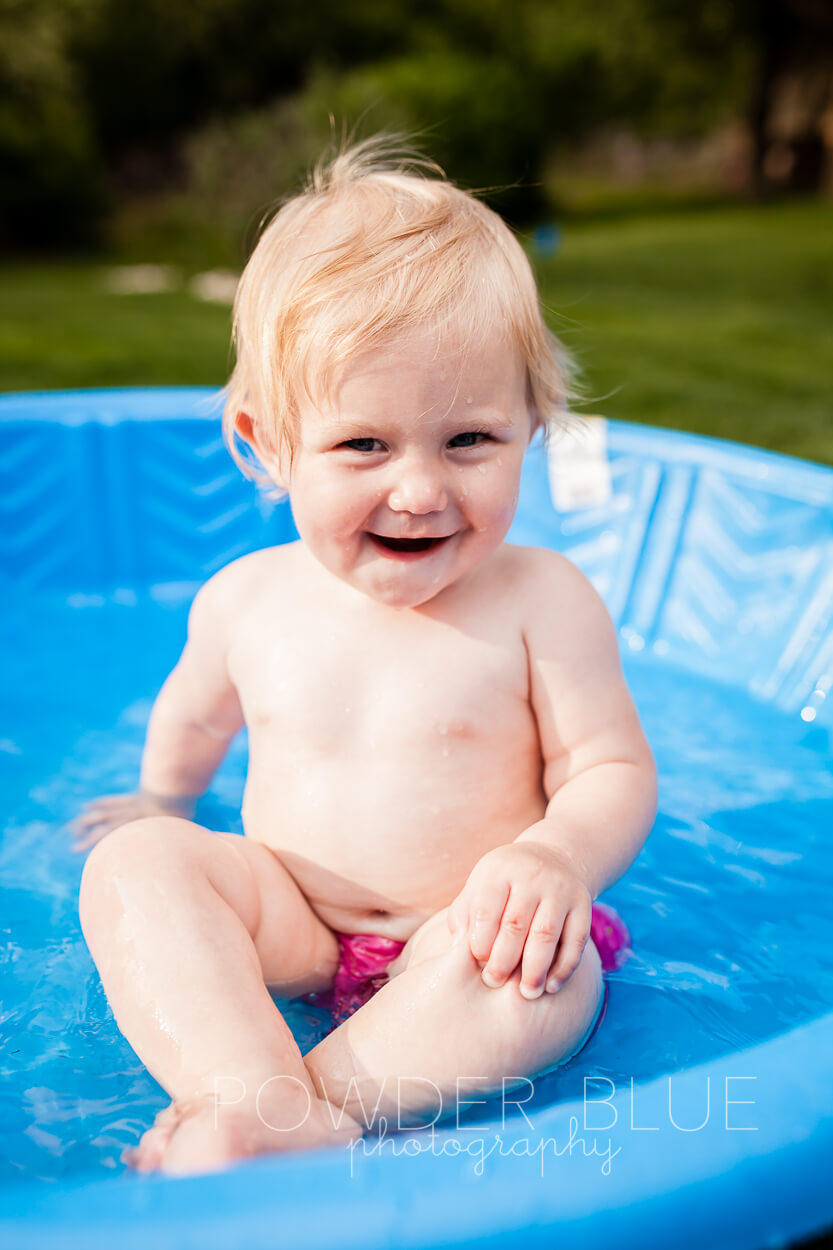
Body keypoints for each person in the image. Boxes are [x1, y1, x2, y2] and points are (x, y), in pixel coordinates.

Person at [74, 136, 657, 1177]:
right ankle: (255, 1095)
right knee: (135, 870)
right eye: (362, 446)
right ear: (266, 443)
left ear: (532, 424)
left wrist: (552, 859)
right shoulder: (245, 602)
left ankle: (287, 1108)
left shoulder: (543, 601)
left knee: (547, 982)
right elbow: (195, 718)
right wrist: (160, 803)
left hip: (468, 935)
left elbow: (606, 768)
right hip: (294, 924)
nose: (422, 489)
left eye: (468, 439)